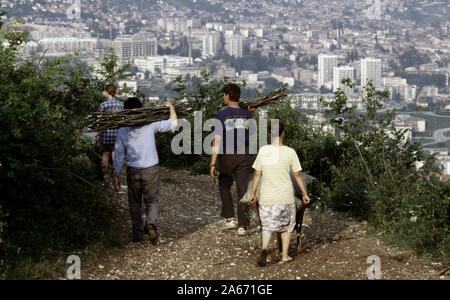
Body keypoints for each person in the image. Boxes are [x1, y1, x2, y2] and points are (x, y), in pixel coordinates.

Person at [113, 97, 178, 244]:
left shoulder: (123, 130)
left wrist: (116, 175)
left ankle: (137, 235)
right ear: (141, 109)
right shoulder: (150, 124)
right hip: (151, 168)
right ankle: (151, 224)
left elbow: (118, 154)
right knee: (152, 200)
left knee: (134, 202)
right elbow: (173, 125)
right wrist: (170, 107)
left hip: (133, 170)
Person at [249, 121, 311, 266]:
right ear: (283, 133)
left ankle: (264, 249)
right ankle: (284, 255)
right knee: (287, 226)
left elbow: (257, 174)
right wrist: (305, 194)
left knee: (267, 226)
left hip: (266, 197)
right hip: (285, 197)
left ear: (270, 133)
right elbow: (297, 175)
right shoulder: (290, 152)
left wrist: (253, 193)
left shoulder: (263, 150)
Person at [210, 83, 255, 236]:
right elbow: (250, 133)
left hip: (227, 155)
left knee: (224, 184)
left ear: (228, 96)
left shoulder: (222, 115)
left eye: (224, 95)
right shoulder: (247, 115)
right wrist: (251, 115)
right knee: (243, 189)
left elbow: (217, 139)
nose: (224, 97)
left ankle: (230, 219)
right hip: (244, 155)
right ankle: (243, 225)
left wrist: (212, 163)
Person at [97, 84, 124, 173]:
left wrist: (98, 134)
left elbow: (100, 121)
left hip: (106, 134)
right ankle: (116, 174)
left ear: (107, 92)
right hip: (117, 134)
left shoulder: (103, 105)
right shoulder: (121, 105)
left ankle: (104, 173)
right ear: (115, 92)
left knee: (105, 153)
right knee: (114, 153)